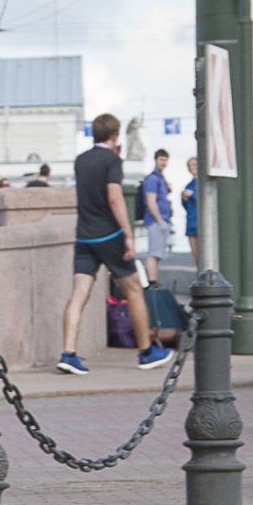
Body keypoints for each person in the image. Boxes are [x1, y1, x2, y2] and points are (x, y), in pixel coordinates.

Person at [56, 114, 172, 375]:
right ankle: (146, 352)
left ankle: (68, 353)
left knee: (79, 294)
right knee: (133, 290)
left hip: (84, 236)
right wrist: (127, 234)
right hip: (109, 235)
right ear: (115, 136)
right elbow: (114, 198)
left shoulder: (81, 160)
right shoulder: (112, 160)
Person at [140, 149, 171, 285]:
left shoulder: (160, 179)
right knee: (154, 253)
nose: (163, 162)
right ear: (156, 160)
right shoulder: (153, 179)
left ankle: (154, 280)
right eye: (161, 159)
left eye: (165, 160)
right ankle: (152, 282)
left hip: (161, 219)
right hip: (156, 221)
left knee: (158, 254)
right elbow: (151, 201)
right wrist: (159, 221)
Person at [181, 156, 200, 266]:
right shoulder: (188, 185)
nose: (192, 167)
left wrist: (192, 195)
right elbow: (187, 206)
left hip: (201, 222)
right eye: (190, 165)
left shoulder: (203, 183)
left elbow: (203, 201)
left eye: (195, 164)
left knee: (203, 253)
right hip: (191, 222)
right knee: (195, 253)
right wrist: (183, 199)